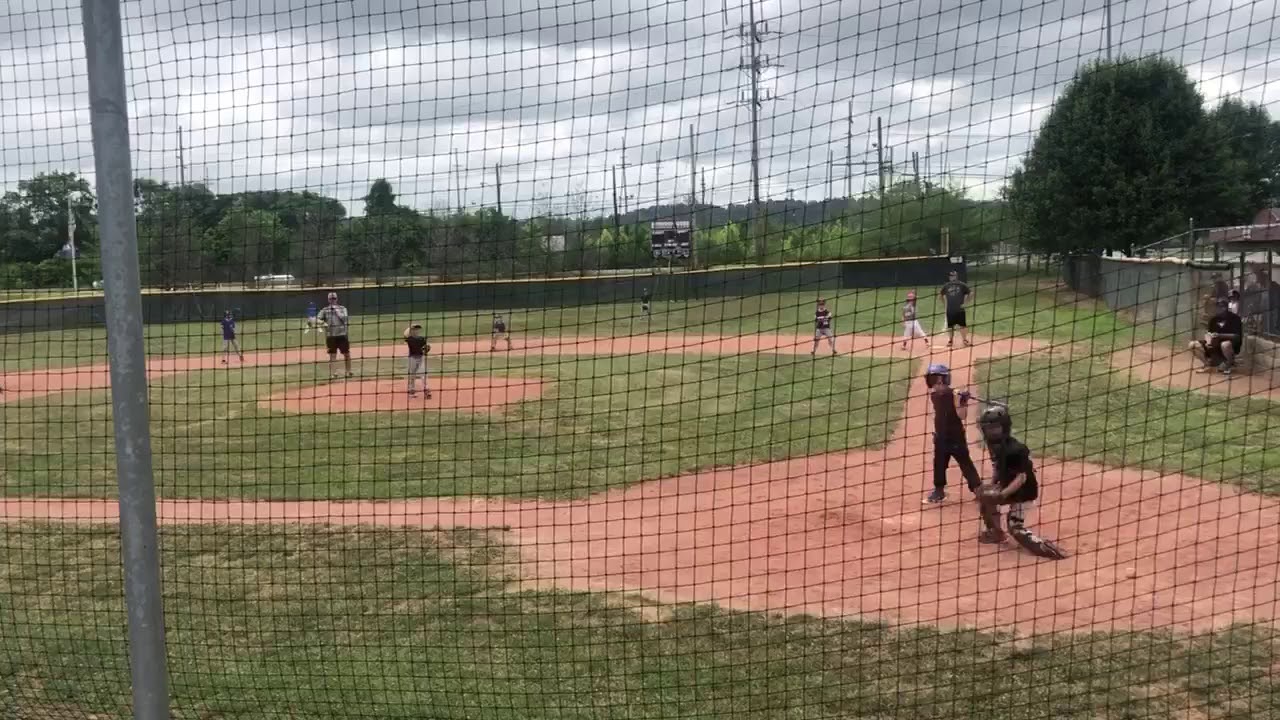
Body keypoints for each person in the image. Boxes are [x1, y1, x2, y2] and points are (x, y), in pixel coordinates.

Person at [973, 404, 1066, 559]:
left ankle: (1048, 550)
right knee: (985, 497)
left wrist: (1002, 494)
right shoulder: (993, 445)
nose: (991, 431)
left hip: (1024, 492)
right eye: (988, 428)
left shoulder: (1015, 449)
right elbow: (998, 467)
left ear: (1004, 427)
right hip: (1008, 485)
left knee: (1015, 528)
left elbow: (1021, 478)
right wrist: (993, 484)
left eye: (995, 427)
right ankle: (996, 533)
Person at [922, 363, 981, 505]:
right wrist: (959, 396)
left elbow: (962, 416)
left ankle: (978, 490)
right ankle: (939, 491)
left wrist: (963, 402)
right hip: (941, 436)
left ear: (941, 380)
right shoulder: (936, 395)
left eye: (934, 379)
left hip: (956, 437)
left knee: (965, 463)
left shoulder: (954, 394)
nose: (933, 383)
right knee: (939, 464)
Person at [1189, 297, 1244, 376]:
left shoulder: (1235, 319)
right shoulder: (1213, 319)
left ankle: (1228, 365)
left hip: (1228, 346)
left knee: (1225, 344)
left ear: (1226, 307)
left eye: (1221, 306)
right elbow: (1209, 333)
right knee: (1192, 344)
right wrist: (1208, 341)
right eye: (1217, 306)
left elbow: (1237, 336)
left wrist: (1220, 336)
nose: (1219, 308)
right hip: (1215, 345)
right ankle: (1208, 364)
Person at [317, 291, 353, 379]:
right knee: (332, 355)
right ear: (328, 300)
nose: (332, 300)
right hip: (331, 336)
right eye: (330, 298)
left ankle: (348, 372)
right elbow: (317, 319)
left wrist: (336, 310)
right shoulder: (325, 310)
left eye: (334, 298)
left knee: (346, 354)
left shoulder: (343, 308)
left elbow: (344, 319)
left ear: (337, 299)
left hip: (342, 334)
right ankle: (334, 373)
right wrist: (323, 323)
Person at [939, 269, 972, 347]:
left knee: (962, 325)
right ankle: (950, 341)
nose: (952, 277)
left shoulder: (962, 285)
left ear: (956, 276)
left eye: (953, 276)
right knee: (950, 326)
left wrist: (965, 303)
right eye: (951, 276)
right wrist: (944, 304)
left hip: (960, 309)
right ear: (949, 277)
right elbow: (940, 295)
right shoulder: (946, 286)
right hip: (950, 310)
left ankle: (965, 340)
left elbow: (971, 293)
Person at [403, 323, 431, 398]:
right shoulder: (409, 339)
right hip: (412, 358)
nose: (416, 330)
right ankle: (411, 391)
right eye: (415, 329)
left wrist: (426, 350)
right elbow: (405, 335)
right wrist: (410, 327)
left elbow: (425, 348)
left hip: (421, 358)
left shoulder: (422, 338)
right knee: (412, 375)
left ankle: (426, 390)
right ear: (411, 331)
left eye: (417, 329)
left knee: (423, 374)